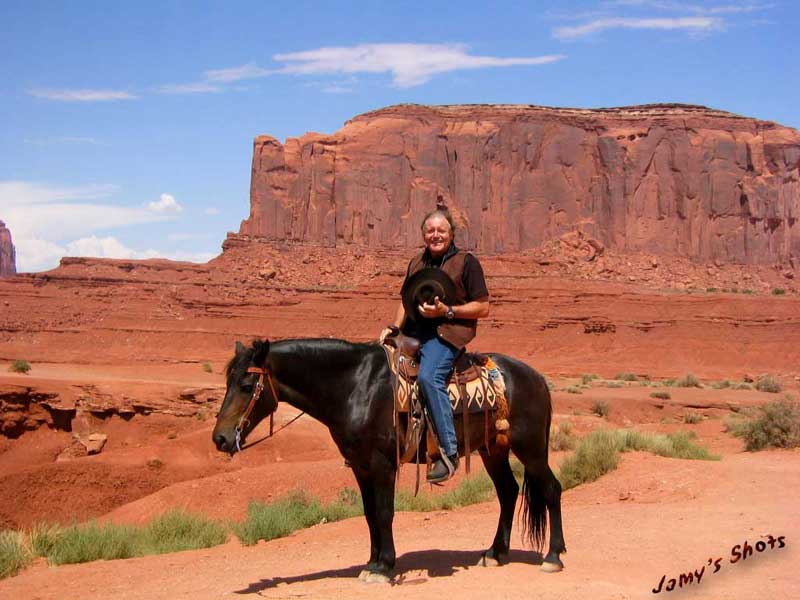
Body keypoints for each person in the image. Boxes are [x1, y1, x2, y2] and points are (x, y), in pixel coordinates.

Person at [380, 209, 490, 483]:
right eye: (431, 231)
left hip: (446, 336)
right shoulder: (417, 262)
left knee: (429, 378)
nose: (436, 235)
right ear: (423, 234)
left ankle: (447, 453)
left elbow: (483, 307)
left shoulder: (466, 262)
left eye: (441, 230)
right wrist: (395, 329)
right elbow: (404, 301)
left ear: (451, 233)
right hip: (414, 332)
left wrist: (446, 311)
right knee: (375, 367)